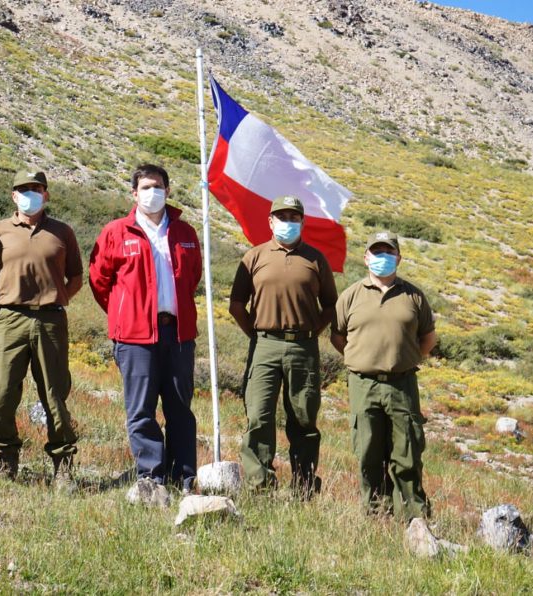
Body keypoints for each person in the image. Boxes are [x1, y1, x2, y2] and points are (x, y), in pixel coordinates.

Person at [89, 164, 202, 505]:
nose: (153, 192)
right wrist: (127, 313)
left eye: (159, 186)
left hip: (178, 334)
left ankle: (184, 475)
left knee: (180, 407)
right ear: (134, 194)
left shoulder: (185, 232)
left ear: (168, 190)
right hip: (135, 337)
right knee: (140, 410)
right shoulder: (116, 232)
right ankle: (151, 477)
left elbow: (192, 277)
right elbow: (100, 281)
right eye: (146, 187)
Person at [0, 171, 83, 487]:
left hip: (51, 321)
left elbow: (75, 278)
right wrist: (5, 305)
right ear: (13, 195)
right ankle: (4, 460)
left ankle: (63, 466)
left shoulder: (62, 232)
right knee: (1, 392)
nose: (29, 194)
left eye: (36, 189)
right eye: (23, 189)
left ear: (46, 195)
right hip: (10, 320)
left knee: (55, 395)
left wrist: (56, 299)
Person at [229, 195, 338, 499]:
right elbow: (236, 304)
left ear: (303, 222)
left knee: (303, 417)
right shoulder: (254, 256)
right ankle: (259, 485)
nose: (287, 223)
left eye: (293, 218)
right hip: (264, 346)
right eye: (282, 217)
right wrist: (255, 332)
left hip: (303, 349)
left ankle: (303, 487)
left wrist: (312, 331)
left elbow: (330, 304)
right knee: (259, 415)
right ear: (270, 221)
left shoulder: (316, 259)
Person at [330, 230, 436, 521]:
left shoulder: (413, 296)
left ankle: (414, 516)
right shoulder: (351, 295)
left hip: (402, 384)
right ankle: (376, 513)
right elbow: (337, 336)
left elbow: (428, 338)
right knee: (368, 451)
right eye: (377, 252)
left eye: (388, 253)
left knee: (407, 453)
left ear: (399, 258)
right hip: (363, 385)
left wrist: (405, 358)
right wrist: (361, 359)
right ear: (366, 258)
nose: (382, 258)